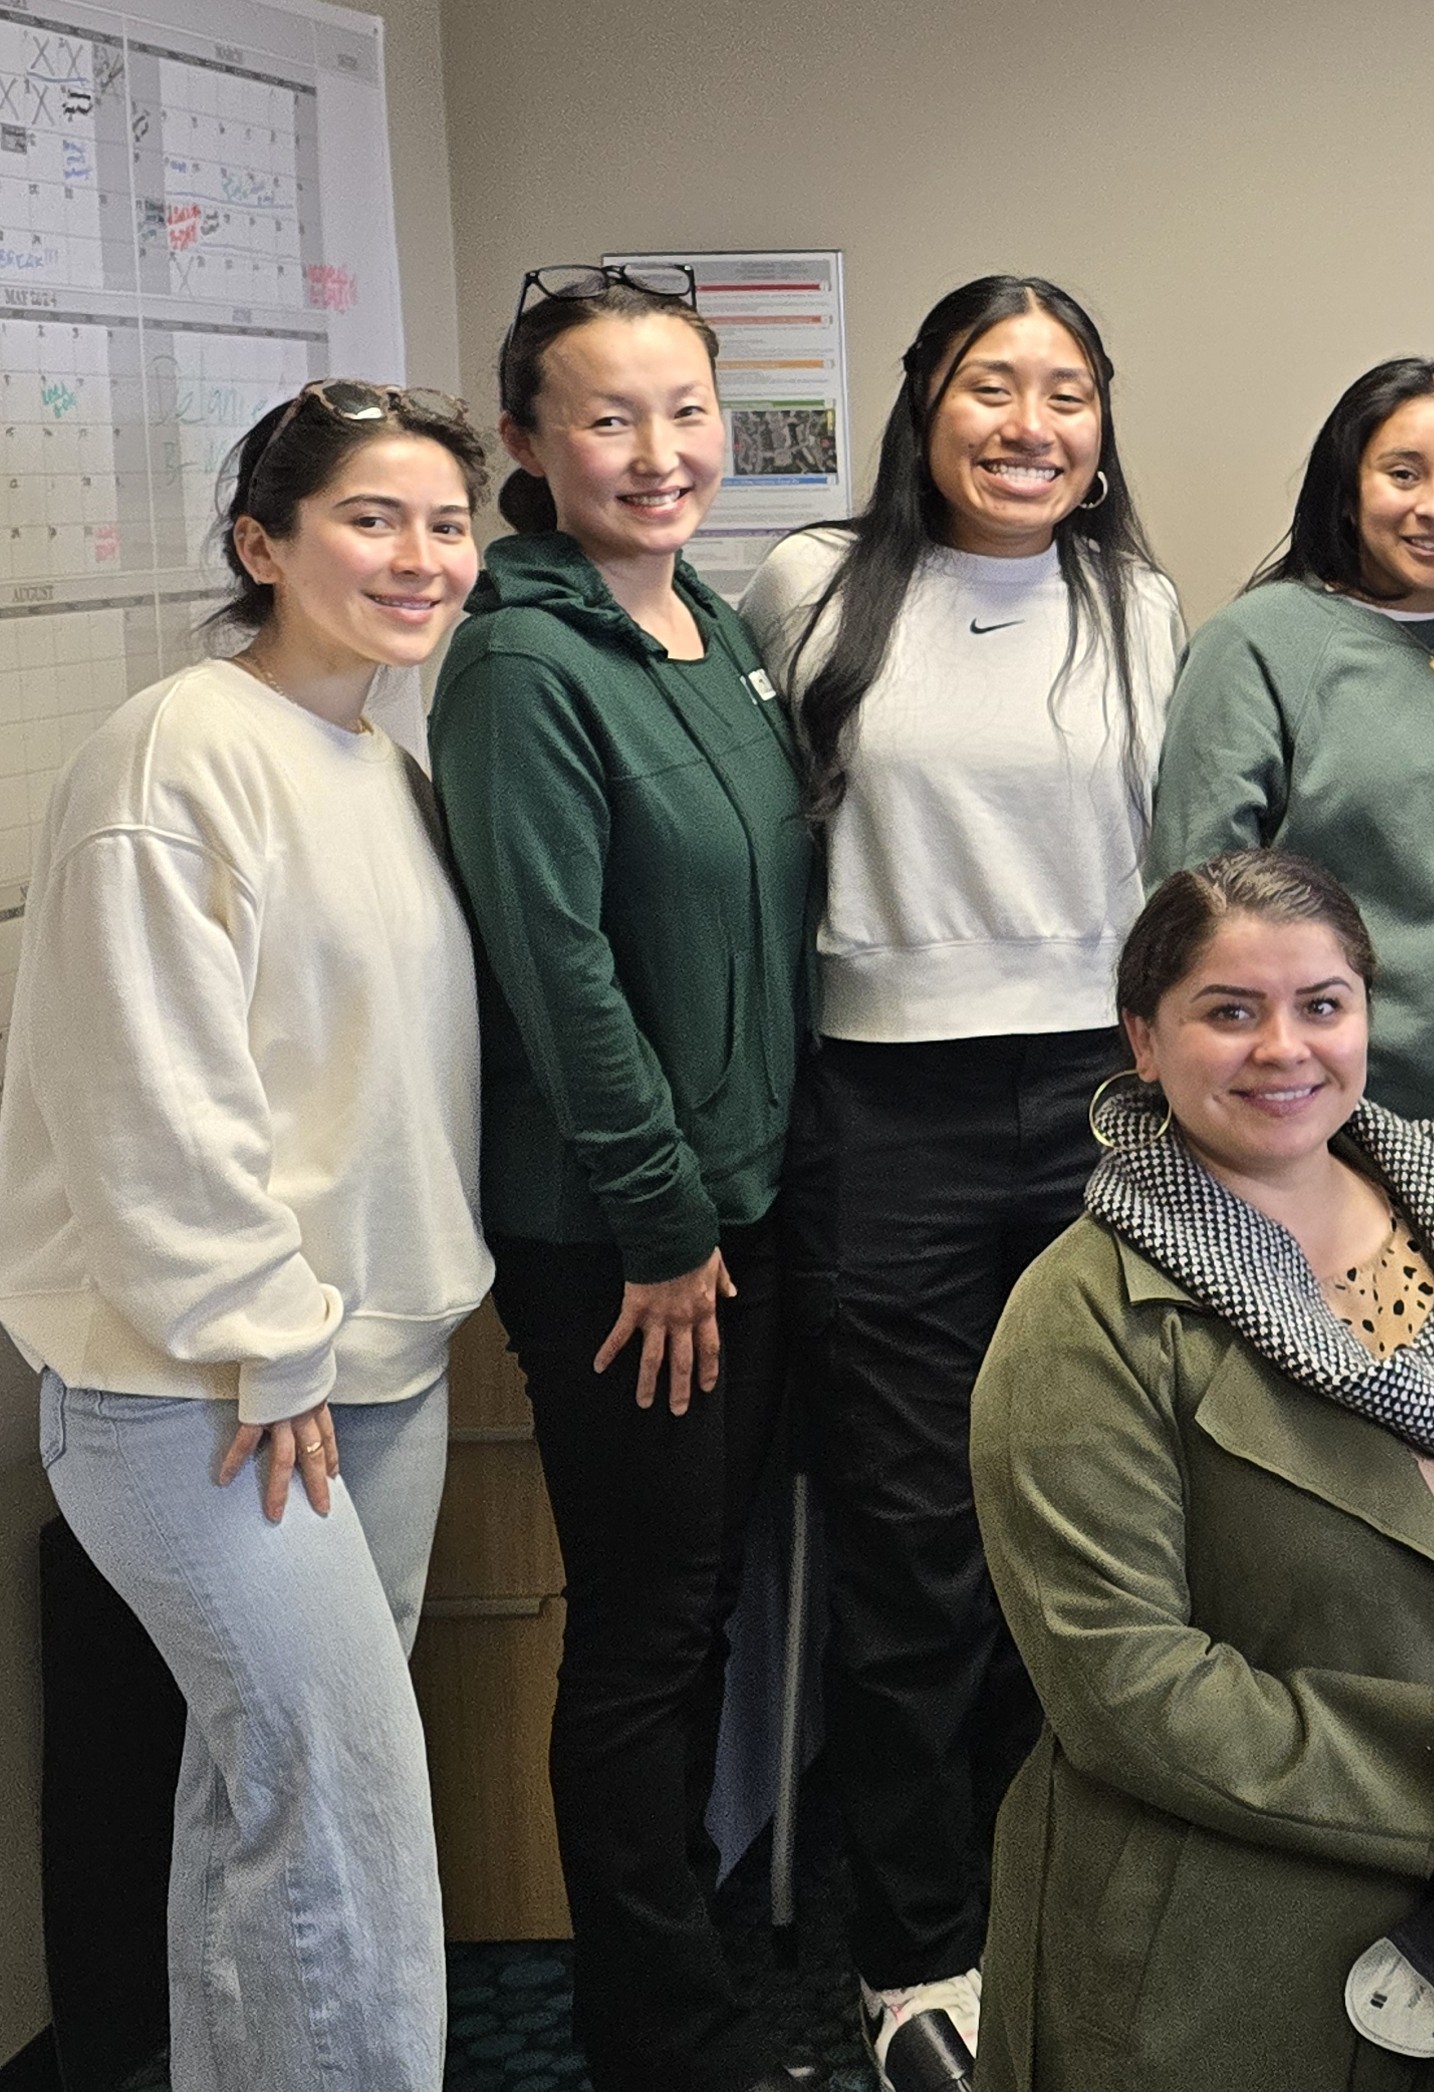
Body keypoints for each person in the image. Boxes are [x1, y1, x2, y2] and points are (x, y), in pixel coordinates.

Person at [965, 851, 1434, 2091]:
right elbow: (1119, 1675)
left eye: (1321, 1004)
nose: (1283, 1048)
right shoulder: (1078, 1318)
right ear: (1142, 1038)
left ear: (1366, 1015)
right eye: (1228, 1011)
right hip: (1215, 1937)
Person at [0, 382, 490, 2091]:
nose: (420, 556)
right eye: (372, 517)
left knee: (262, 1814)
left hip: (374, 1367)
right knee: (346, 1825)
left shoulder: (380, 756)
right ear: (260, 543)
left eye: (445, 521)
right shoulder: (174, 750)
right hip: (204, 1388)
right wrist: (265, 1334)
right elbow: (151, 1092)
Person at [736, 273, 1180, 2091]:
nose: (1029, 424)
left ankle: (1057, 1903)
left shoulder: (1142, 608)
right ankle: (916, 1952)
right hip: (883, 1115)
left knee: (1079, 1522)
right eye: (991, 386)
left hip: (1096, 1100)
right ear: (924, 405)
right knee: (914, 1539)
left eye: (1065, 391)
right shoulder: (808, 588)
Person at [434, 266, 826, 2092]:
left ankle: (696, 1964)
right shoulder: (522, 659)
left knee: (706, 1605)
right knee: (649, 1630)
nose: (660, 453)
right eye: (607, 417)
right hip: (621, 1237)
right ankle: (660, 2035)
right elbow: (562, 972)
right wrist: (664, 1227)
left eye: (686, 412)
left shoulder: (717, 632)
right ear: (527, 443)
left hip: (739, 1208)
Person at [1148, 356, 1434, 1152]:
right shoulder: (1257, 643)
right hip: (1318, 1124)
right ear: (1347, 485)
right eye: (1402, 473)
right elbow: (1192, 908)